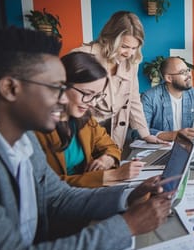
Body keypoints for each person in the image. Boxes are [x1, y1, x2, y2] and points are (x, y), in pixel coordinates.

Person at [0, 27, 173, 250]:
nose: (63, 99)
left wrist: (128, 196)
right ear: (10, 88)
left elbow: (59, 196)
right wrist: (127, 226)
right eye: (55, 87)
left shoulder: (24, 140)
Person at [36, 52, 144, 188]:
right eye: (87, 94)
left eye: (97, 96)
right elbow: (46, 187)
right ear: (62, 86)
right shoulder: (37, 128)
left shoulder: (85, 119)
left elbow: (111, 147)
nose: (92, 103)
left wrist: (107, 159)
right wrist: (110, 176)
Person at [72, 11, 163, 148]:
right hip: (83, 129)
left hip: (115, 129)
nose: (129, 53)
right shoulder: (82, 56)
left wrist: (145, 134)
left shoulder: (132, 61)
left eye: (134, 48)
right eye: (124, 46)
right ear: (109, 39)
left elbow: (133, 98)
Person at [141, 56, 194, 141]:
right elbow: (139, 131)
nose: (189, 75)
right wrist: (173, 135)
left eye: (188, 70)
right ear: (169, 78)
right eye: (182, 72)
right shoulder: (150, 97)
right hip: (159, 148)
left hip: (186, 147)